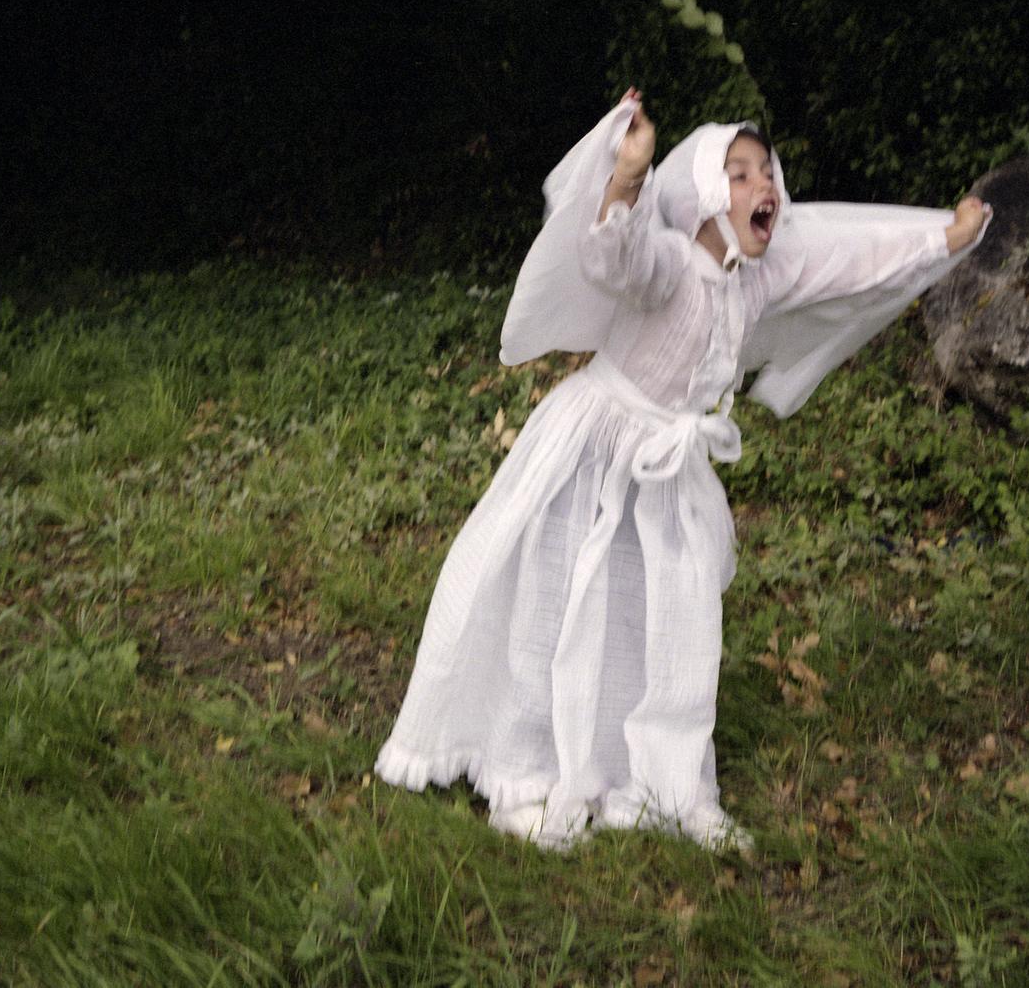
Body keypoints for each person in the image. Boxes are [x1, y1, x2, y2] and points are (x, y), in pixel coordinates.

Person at [375, 90, 990, 851]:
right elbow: (612, 253)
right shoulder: (667, 261)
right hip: (593, 449)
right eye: (737, 173)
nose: (764, 185)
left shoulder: (756, 278)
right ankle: (523, 771)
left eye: (767, 172)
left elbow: (844, 257)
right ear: (698, 190)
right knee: (557, 601)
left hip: (668, 467)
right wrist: (629, 174)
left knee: (674, 615)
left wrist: (941, 239)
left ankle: (667, 782)